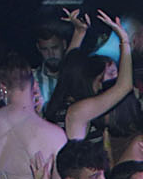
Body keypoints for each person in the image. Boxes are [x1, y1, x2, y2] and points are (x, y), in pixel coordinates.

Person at [42, 12, 132, 143]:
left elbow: (69, 67)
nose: (101, 84)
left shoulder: (61, 105)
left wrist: (79, 32)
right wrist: (124, 40)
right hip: (85, 157)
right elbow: (124, 86)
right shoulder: (79, 111)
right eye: (100, 78)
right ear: (88, 79)